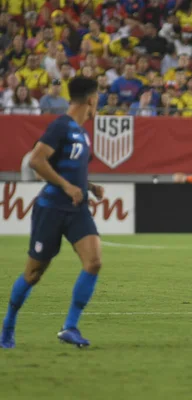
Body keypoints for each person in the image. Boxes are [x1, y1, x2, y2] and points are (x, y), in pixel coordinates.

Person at [1, 77, 104, 349]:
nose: (99, 104)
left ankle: (70, 326)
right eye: (98, 98)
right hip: (51, 209)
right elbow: (36, 161)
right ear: (91, 100)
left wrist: (89, 186)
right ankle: (8, 325)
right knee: (33, 274)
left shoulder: (83, 133)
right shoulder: (61, 126)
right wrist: (68, 186)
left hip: (76, 209)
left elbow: (68, 169)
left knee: (93, 262)